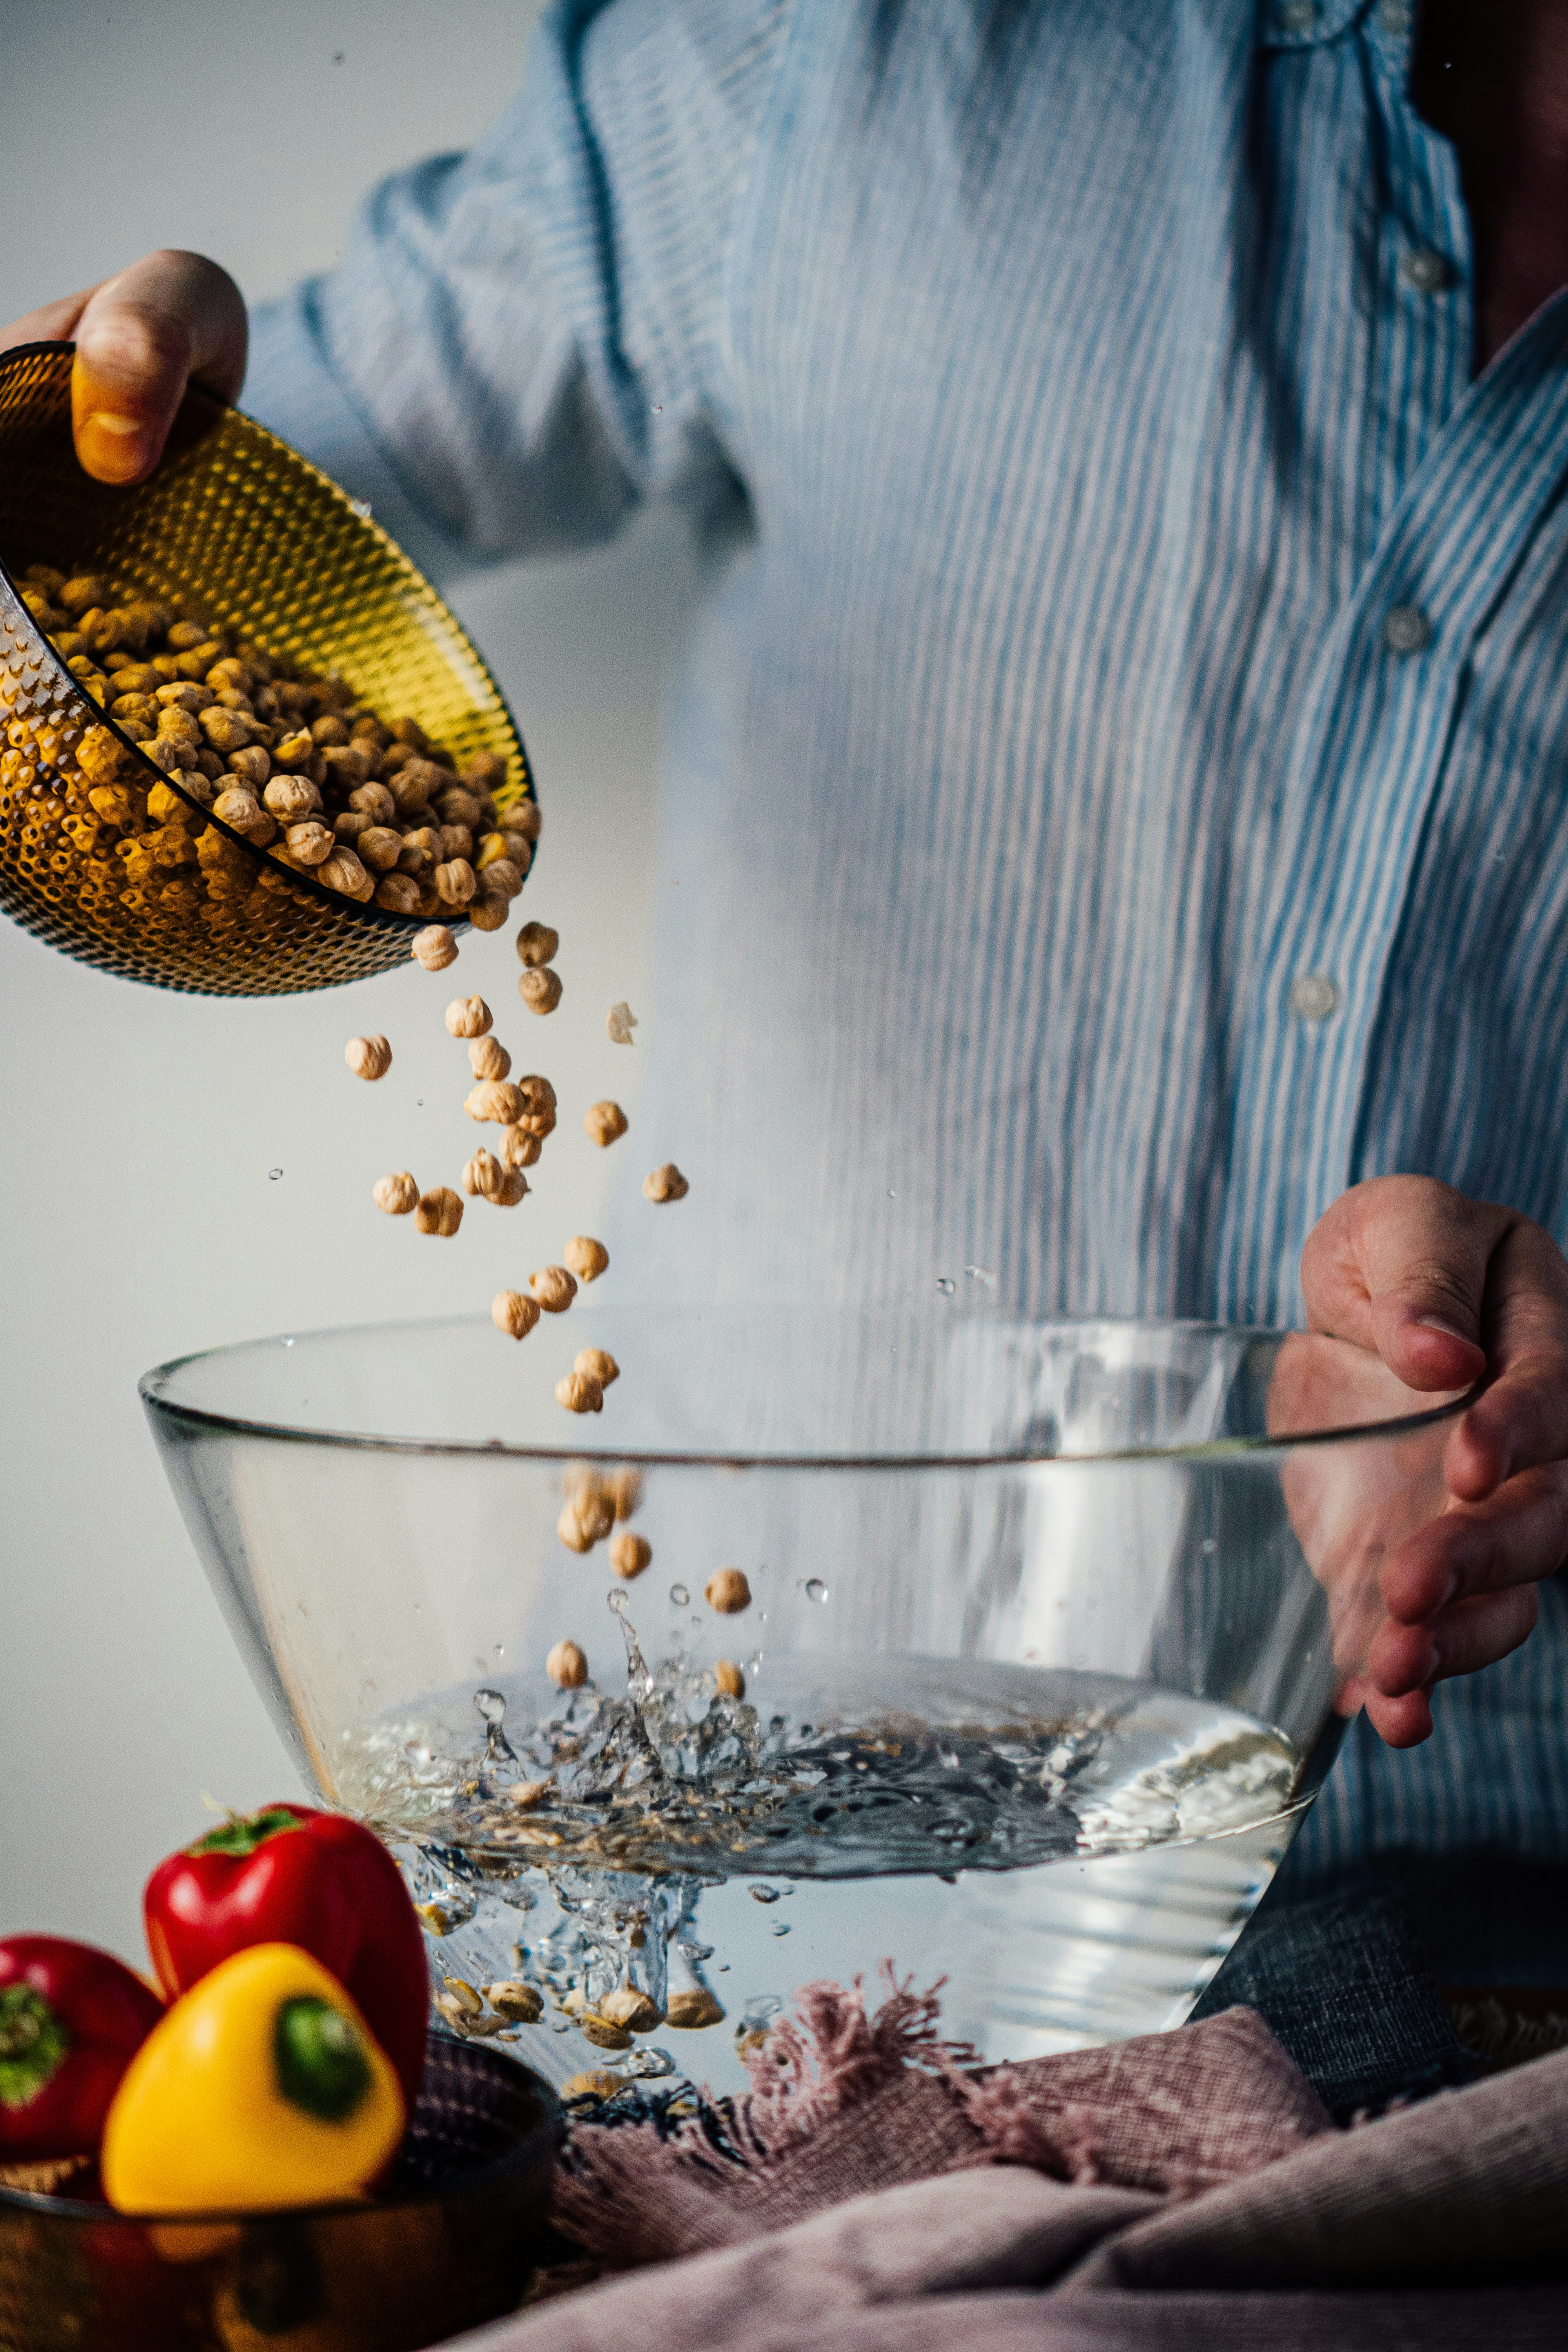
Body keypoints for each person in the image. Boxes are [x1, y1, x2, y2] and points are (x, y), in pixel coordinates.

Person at [8, 0, 1568, 1969]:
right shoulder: (854, 49)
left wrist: (1520, 1354)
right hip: (683, 1852)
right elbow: (265, 485)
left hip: (1480, 1967)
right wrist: (101, 444)